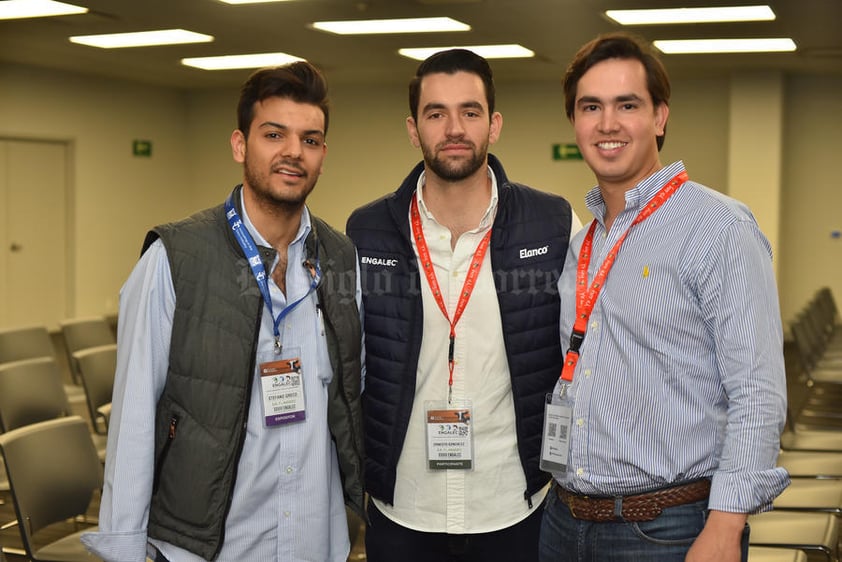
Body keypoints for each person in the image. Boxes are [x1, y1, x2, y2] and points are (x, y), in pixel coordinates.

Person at [81, 61, 364, 562]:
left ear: (323, 155)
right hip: (209, 547)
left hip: (315, 542)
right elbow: (133, 420)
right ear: (240, 144)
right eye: (274, 134)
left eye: (311, 139)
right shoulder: (173, 259)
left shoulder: (341, 259)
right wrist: (124, 549)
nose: (293, 152)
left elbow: (349, 396)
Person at [538, 32, 790, 562]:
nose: (607, 124)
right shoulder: (581, 242)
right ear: (574, 122)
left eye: (627, 105)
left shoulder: (717, 227)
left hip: (668, 529)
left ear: (659, 117)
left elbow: (758, 392)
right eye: (591, 107)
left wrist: (726, 523)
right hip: (564, 522)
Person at [346, 48, 581, 562]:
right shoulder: (367, 232)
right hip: (404, 509)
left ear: (494, 124)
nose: (454, 127)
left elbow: (584, 356)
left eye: (470, 112)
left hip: (516, 505)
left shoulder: (553, 225)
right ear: (414, 129)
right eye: (436, 114)